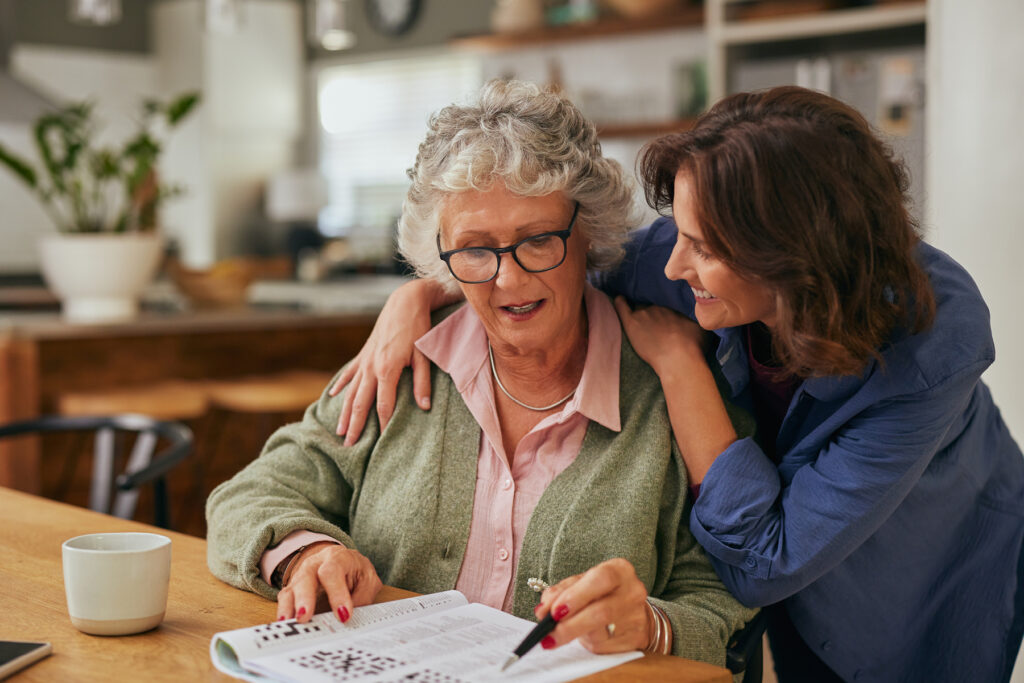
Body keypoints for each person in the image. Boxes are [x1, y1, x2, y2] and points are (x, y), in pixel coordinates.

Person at [329, 85, 1024, 683]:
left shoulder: (934, 345)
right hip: (765, 543)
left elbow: (765, 561)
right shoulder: (682, 252)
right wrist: (416, 299)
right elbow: (541, 264)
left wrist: (681, 365)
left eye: (704, 247)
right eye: (679, 231)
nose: (671, 265)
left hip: (921, 569)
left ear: (789, 259)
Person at [206, 80, 757, 669]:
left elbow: (728, 608)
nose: (509, 281)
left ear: (588, 229)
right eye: (473, 249)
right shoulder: (400, 363)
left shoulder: (677, 391)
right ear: (437, 254)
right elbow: (251, 494)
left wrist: (650, 623)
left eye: (538, 240)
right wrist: (306, 553)